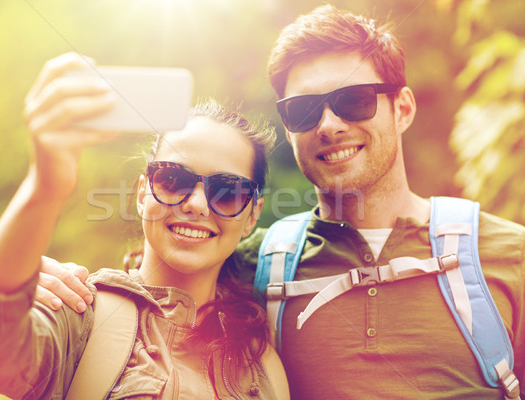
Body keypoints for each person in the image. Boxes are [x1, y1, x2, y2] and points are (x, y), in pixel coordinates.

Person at [38, 4, 525, 400]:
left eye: (354, 100)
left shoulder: (507, 258)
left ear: (402, 108)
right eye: (305, 109)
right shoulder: (256, 267)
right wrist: (47, 284)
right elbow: (157, 282)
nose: (330, 123)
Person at [0, 53, 290, 399]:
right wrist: (45, 185)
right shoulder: (78, 315)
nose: (197, 204)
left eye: (228, 191)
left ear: (252, 216)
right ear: (142, 193)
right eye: (173, 178)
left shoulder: (265, 368)